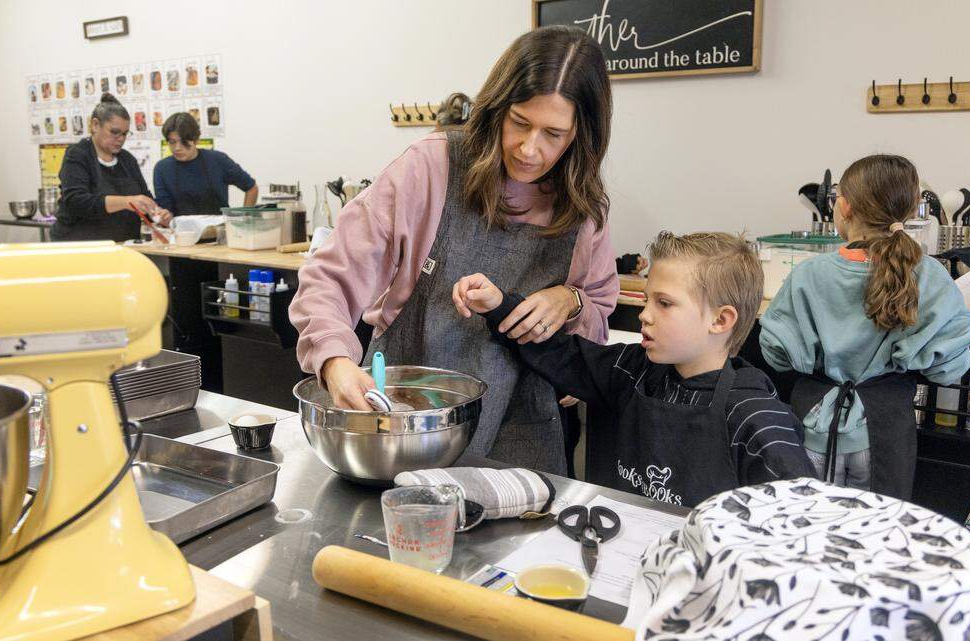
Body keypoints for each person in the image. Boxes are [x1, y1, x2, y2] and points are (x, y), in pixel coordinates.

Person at [289, 26, 619, 475]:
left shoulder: (582, 208)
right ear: (497, 107)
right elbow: (329, 275)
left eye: (553, 135)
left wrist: (571, 300)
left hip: (520, 431)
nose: (529, 148)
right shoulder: (431, 168)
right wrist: (334, 361)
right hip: (405, 418)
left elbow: (597, 311)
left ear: (582, 135)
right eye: (519, 122)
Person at [453, 232, 816, 507]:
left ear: (721, 320)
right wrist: (500, 306)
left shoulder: (756, 418)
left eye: (665, 304)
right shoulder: (630, 371)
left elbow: (800, 512)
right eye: (646, 300)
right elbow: (560, 352)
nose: (644, 314)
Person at [760, 154, 970, 499]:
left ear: (843, 207)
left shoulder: (809, 275)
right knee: (876, 539)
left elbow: (777, 353)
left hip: (814, 429)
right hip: (885, 435)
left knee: (806, 534)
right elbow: (950, 367)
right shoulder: (930, 275)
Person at [52, 93, 170, 242]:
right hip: (81, 245)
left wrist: (157, 214)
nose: (120, 139)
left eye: (125, 134)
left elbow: (144, 199)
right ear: (95, 125)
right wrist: (127, 202)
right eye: (114, 132)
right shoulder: (78, 155)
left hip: (123, 245)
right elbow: (77, 202)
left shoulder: (127, 160)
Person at [152, 112, 258, 216]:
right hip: (182, 232)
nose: (177, 148)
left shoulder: (218, 160)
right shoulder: (162, 169)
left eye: (184, 142)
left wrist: (246, 218)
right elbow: (166, 210)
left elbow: (251, 188)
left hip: (219, 230)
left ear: (196, 139)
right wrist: (164, 215)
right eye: (172, 142)